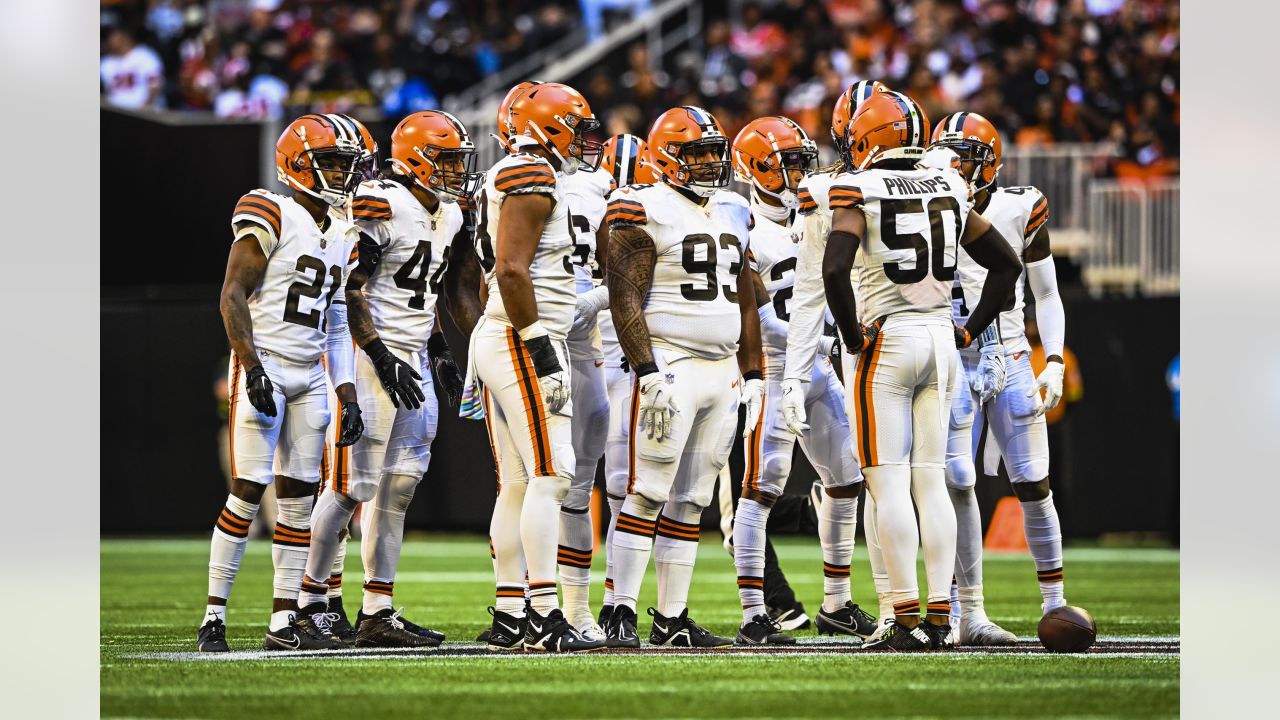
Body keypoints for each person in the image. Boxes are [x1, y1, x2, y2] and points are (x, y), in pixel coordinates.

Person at [821, 92, 1022, 651]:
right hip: (941, 338)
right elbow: (1007, 265)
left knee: (887, 485)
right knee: (931, 482)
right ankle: (942, 618)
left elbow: (835, 268)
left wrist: (851, 336)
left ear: (866, 138)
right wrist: (970, 328)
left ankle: (905, 620)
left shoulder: (859, 188)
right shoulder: (951, 184)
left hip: (888, 338)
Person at [296, 110, 482, 648]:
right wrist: (378, 353)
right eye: (446, 161)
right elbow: (348, 291)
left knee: (400, 485)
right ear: (417, 158)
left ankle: (377, 608)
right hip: (367, 355)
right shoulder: (380, 204)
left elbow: (427, 293)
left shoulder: (447, 214)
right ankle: (309, 602)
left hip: (414, 356)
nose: (455, 173)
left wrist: (442, 352)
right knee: (352, 485)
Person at [197, 113, 373, 652]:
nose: (344, 173)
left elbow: (338, 315)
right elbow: (232, 295)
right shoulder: (271, 209)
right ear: (299, 162)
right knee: (248, 490)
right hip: (268, 360)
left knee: (299, 498)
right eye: (334, 162)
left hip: (311, 372)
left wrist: (346, 390)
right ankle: (213, 618)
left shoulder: (343, 231)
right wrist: (250, 367)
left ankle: (283, 621)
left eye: (348, 164)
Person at [603, 106, 765, 648]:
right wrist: (646, 369)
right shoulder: (642, 206)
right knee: (647, 491)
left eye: (712, 152)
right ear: (666, 156)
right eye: (695, 152)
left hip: (722, 370)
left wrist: (754, 370)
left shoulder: (735, 209)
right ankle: (617, 609)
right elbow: (623, 295)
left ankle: (671, 618)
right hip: (670, 360)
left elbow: (746, 296)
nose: (708, 163)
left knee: (692, 499)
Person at [726, 115, 877, 643]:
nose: (797, 172)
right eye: (785, 163)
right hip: (770, 370)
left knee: (848, 478)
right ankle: (753, 614)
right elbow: (753, 311)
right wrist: (806, 338)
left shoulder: (813, 212)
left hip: (817, 365)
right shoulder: (740, 221)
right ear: (754, 168)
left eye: (800, 161)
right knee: (759, 491)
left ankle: (837, 603)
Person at [927, 111, 1074, 643]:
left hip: (1010, 354)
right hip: (949, 356)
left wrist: (1052, 358)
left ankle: (1055, 605)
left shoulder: (1020, 206)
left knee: (1034, 482)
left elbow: (1047, 293)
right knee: (958, 481)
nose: (956, 165)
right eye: (949, 154)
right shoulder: (928, 201)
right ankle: (970, 615)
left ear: (990, 164)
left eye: (966, 156)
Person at [473, 82, 607, 653]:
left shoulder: (520, 173)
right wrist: (540, 345)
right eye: (575, 125)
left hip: (505, 334)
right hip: (521, 336)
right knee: (553, 476)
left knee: (519, 483)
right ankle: (545, 616)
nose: (585, 138)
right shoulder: (531, 174)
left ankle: (510, 611)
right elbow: (510, 269)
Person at [781, 79, 895, 640]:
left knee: (884, 480)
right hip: (864, 345)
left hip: (870, 345)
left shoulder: (839, 189)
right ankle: (768, 607)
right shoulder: (823, 195)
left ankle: (921, 608)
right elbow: (810, 291)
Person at [569, 133, 659, 633]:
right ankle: (555, 601)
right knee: (570, 483)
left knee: (626, 484)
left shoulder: (645, 208)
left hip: (622, 357)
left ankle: (614, 602)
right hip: (592, 354)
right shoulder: (579, 199)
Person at [100, 27, 165, 110]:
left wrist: (146, 106)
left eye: (112, 36)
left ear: (125, 38)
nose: (109, 40)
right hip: (116, 113)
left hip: (145, 114)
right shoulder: (105, 62)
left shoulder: (145, 55)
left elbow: (156, 84)